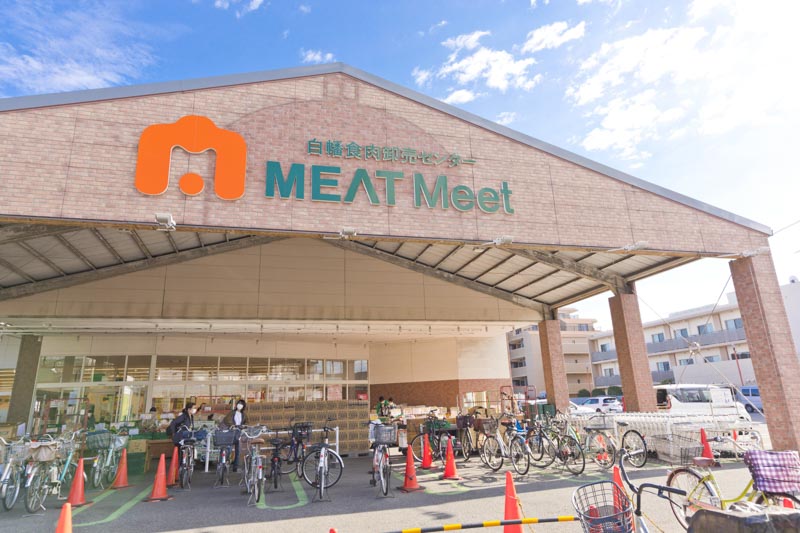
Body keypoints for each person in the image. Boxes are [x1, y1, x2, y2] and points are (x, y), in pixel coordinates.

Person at [221, 399, 247, 472]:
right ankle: (225, 464)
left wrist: (243, 426)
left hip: (238, 432)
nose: (240, 405)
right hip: (231, 432)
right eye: (239, 403)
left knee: (238, 450)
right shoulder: (232, 413)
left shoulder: (244, 415)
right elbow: (227, 420)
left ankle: (236, 466)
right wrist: (232, 425)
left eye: (241, 404)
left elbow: (246, 422)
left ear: (244, 406)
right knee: (228, 449)